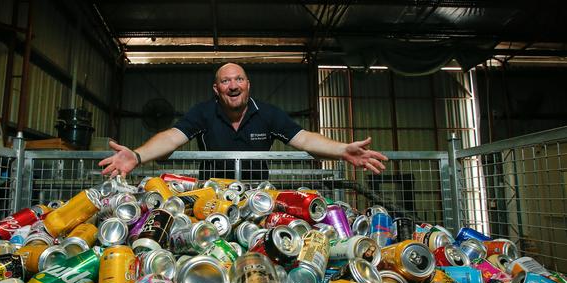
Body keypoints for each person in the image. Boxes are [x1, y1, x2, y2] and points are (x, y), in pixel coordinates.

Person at [99, 62, 388, 179]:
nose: (233, 85)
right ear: (217, 89)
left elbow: (306, 139)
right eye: (225, 81)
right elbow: (171, 136)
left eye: (239, 79)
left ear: (248, 85)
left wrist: (342, 150)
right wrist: (137, 155)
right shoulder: (203, 112)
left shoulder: (268, 114)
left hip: (256, 199)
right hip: (211, 200)